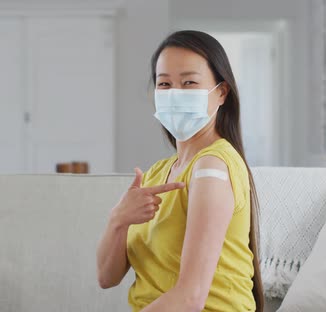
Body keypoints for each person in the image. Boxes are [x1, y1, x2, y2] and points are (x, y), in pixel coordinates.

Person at [96, 30, 264, 312]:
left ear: (221, 92)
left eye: (189, 82)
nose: (175, 94)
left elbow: (191, 298)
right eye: (165, 84)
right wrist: (118, 220)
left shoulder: (213, 167)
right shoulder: (155, 174)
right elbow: (106, 278)